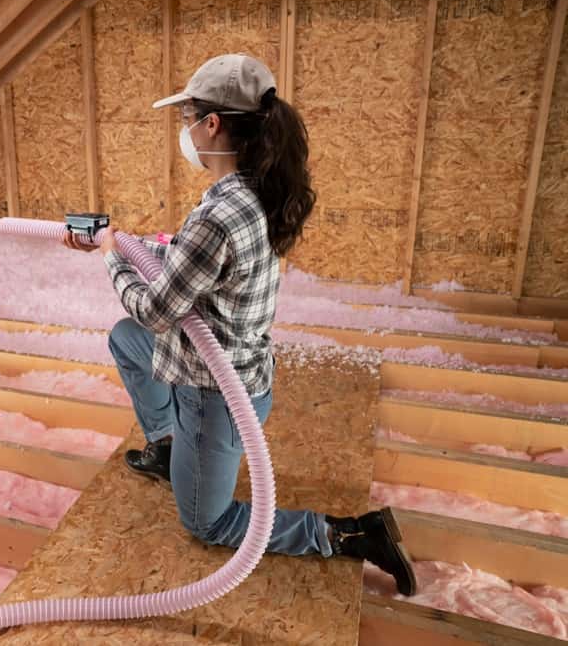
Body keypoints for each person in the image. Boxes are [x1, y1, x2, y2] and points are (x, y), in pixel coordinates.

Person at [63, 54, 416, 596]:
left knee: (206, 523)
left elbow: (156, 310)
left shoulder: (220, 215)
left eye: (188, 118)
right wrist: (160, 247)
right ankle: (167, 447)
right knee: (125, 340)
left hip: (215, 396)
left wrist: (111, 252)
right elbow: (202, 269)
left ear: (213, 124)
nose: (185, 131)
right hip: (226, 370)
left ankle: (347, 536)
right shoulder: (249, 190)